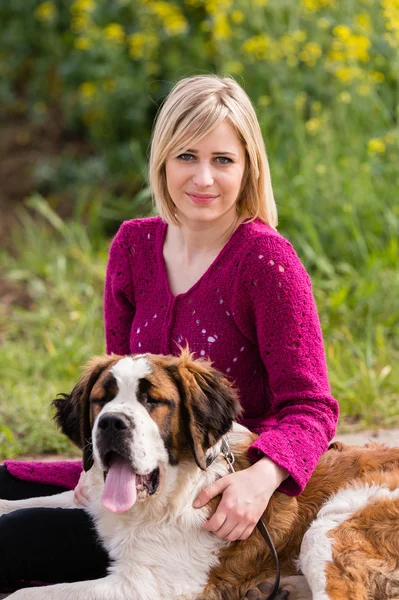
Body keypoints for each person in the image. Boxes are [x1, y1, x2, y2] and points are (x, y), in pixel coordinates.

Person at [0, 74, 339, 591]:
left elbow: (312, 408)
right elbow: (120, 383)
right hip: (136, 465)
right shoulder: (133, 246)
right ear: (162, 159)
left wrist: (261, 479)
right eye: (186, 156)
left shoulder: (266, 261)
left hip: (218, 490)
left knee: (17, 537)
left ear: (248, 167)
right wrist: (97, 470)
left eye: (222, 159)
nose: (203, 177)